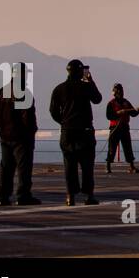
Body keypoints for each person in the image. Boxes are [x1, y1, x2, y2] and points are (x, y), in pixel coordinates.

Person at [49, 59, 102, 205]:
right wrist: (90, 81)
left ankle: (70, 196)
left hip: (67, 132)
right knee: (87, 165)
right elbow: (98, 99)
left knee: (69, 166)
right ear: (80, 71)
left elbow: (53, 112)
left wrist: (64, 122)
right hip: (85, 131)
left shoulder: (59, 89)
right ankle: (89, 196)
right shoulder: (86, 87)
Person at [0, 63, 39, 206]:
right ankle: (23, 195)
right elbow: (27, 117)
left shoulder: (1, 92)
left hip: (5, 136)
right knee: (23, 168)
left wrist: (2, 130)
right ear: (23, 74)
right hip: (21, 138)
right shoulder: (24, 92)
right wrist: (31, 131)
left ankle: (3, 196)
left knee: (6, 167)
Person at [105, 83, 139, 175]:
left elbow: (133, 113)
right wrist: (118, 113)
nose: (121, 92)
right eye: (119, 91)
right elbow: (109, 116)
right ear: (115, 92)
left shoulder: (126, 102)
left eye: (122, 90)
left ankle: (131, 166)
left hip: (125, 128)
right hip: (114, 128)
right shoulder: (111, 103)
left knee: (128, 147)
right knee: (112, 148)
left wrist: (138, 110)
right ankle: (108, 166)